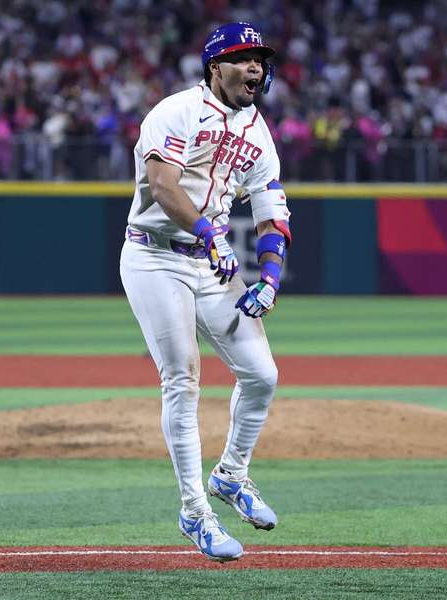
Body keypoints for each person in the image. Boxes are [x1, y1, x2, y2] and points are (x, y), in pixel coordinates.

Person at [119, 22, 291, 563]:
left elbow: (271, 211)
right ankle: (195, 512)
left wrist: (269, 277)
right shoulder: (174, 111)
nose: (256, 68)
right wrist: (210, 233)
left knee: (263, 374)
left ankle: (232, 475)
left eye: (261, 60)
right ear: (215, 66)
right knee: (183, 379)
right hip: (154, 255)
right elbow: (164, 186)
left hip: (211, 263)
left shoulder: (259, 133)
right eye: (244, 58)